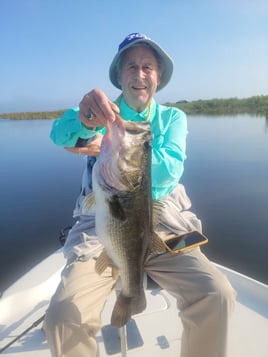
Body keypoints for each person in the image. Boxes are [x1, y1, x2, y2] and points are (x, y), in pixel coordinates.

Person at [44, 32, 236, 357]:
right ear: (119, 76)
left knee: (217, 295)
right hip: (100, 225)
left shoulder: (173, 118)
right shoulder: (100, 113)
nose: (140, 74)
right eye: (131, 66)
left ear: (158, 78)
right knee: (62, 317)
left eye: (148, 66)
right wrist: (85, 120)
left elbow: (170, 168)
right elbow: (61, 135)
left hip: (161, 223)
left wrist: (116, 150)